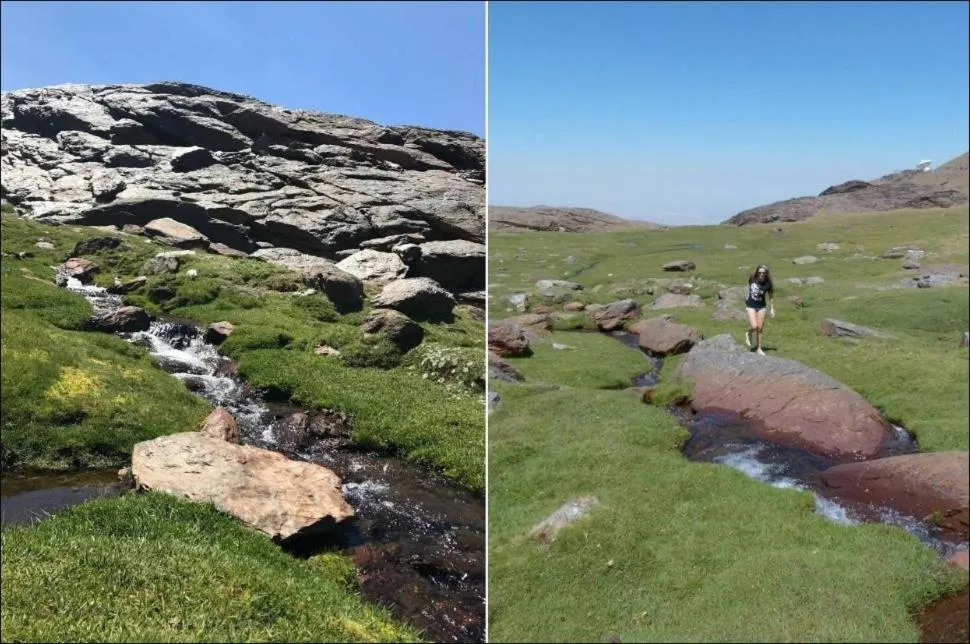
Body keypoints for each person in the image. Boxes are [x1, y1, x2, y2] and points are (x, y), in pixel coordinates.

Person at [744, 264, 775, 355]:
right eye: (760, 272)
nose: (761, 274)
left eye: (763, 273)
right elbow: (749, 287)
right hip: (751, 305)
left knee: (760, 328)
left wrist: (772, 308)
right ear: (757, 272)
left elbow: (771, 296)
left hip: (762, 306)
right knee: (754, 326)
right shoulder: (752, 278)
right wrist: (747, 295)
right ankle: (748, 333)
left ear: (766, 273)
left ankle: (759, 348)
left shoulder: (768, 284)